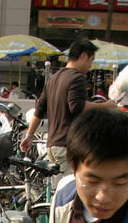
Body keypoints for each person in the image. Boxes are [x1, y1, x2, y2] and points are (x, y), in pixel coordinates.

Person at [21, 39, 109, 174]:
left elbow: (39, 110)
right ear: (84, 55)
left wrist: (29, 135)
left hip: (52, 144)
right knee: (68, 191)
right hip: (66, 144)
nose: (90, 66)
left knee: (59, 190)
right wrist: (105, 106)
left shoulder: (54, 78)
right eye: (91, 60)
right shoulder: (77, 77)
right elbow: (77, 106)